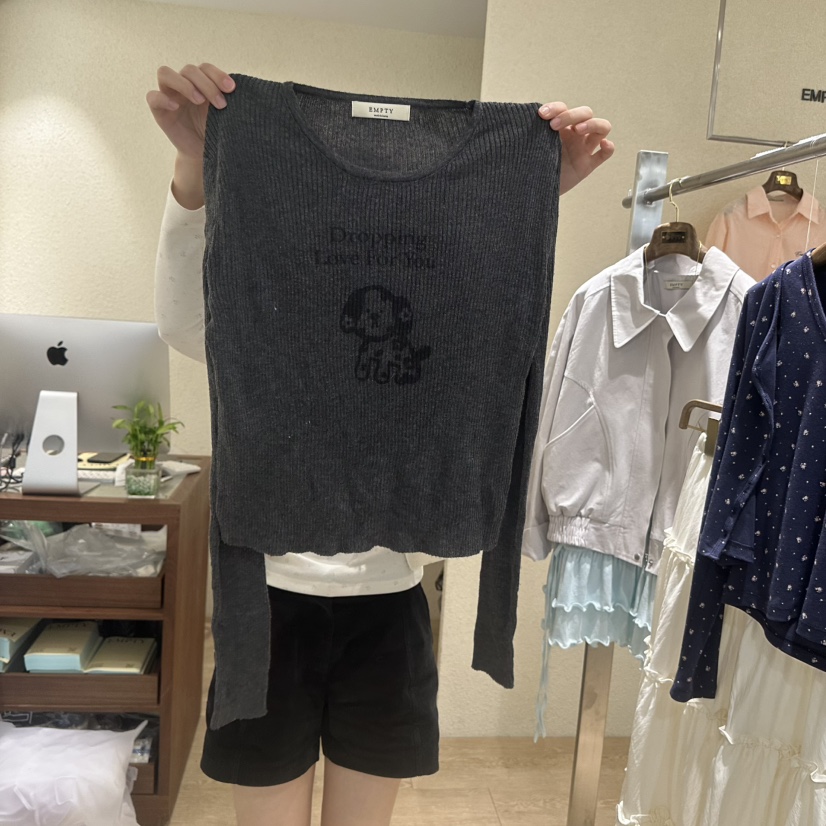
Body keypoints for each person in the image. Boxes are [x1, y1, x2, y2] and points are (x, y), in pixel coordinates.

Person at [146, 62, 614, 826]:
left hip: (391, 603)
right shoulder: (268, 287)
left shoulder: (431, 310)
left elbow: (486, 336)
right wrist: (196, 166)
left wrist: (528, 191)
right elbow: (187, 323)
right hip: (267, 598)